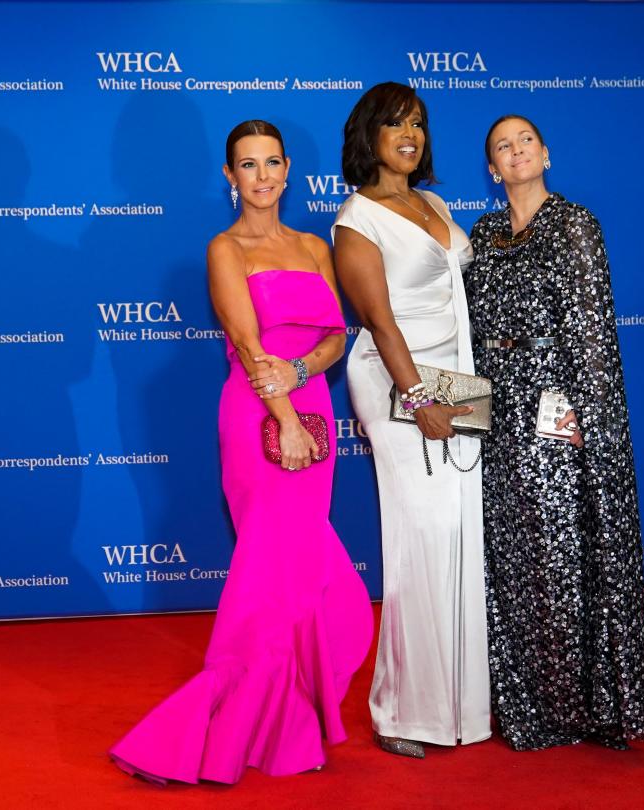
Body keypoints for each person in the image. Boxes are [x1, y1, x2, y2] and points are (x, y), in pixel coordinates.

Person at [109, 120, 374, 784]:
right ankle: (209, 727)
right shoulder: (224, 249)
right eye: (247, 165)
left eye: (271, 163)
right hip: (259, 417)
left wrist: (304, 375)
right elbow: (248, 342)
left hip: (311, 406)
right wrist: (284, 414)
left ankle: (288, 727)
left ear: (288, 172)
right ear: (230, 178)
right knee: (267, 568)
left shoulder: (316, 246)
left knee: (294, 570)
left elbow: (338, 337)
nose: (261, 176)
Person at [465, 114, 644, 751]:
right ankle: (524, 704)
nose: (515, 151)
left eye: (525, 141)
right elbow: (463, 330)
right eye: (502, 146)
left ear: (546, 153)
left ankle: (576, 706)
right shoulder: (484, 232)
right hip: (495, 411)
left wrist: (587, 420)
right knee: (510, 557)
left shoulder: (574, 224)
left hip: (557, 410)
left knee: (561, 557)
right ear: (492, 168)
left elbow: (594, 334)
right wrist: (454, 408)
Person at [332, 82, 491, 758]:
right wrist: (419, 398)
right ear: (368, 135)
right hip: (401, 380)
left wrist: (459, 391)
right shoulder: (356, 220)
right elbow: (379, 321)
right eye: (396, 123)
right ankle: (400, 709)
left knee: (462, 532)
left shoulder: (434, 201)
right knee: (419, 535)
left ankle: (464, 708)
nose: (410, 133)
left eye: (419, 123)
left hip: (461, 378)